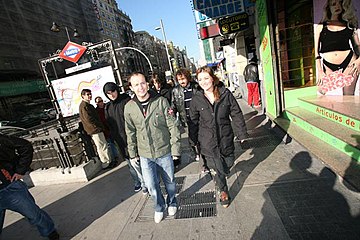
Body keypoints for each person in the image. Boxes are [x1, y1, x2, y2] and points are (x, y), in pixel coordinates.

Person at [124, 72, 181, 223]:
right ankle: (159, 206)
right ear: (131, 87)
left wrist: (175, 149)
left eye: (143, 83)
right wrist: (132, 153)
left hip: (164, 150)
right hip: (145, 154)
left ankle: (172, 202)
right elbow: (130, 132)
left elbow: (172, 126)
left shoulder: (161, 101)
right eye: (136, 84)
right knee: (151, 185)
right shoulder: (129, 107)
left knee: (170, 182)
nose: (140, 87)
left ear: (147, 84)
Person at [190, 66, 248, 208]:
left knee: (228, 163)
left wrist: (241, 134)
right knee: (216, 168)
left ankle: (222, 172)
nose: (203, 82)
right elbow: (193, 121)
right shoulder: (196, 99)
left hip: (225, 137)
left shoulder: (225, 94)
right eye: (200, 79)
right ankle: (223, 191)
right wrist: (193, 142)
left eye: (206, 78)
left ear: (212, 78)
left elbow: (236, 114)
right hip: (208, 141)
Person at [0, 134, 59, 240]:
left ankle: (51, 233)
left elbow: (25, 146)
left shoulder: (2, 140)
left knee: (34, 215)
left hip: (10, 188)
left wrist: (20, 170)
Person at [103, 82, 146, 194]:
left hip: (132, 138)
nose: (111, 94)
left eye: (113, 91)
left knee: (138, 162)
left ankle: (146, 183)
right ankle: (138, 182)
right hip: (120, 141)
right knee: (130, 163)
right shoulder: (108, 107)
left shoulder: (126, 101)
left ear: (117, 90)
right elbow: (109, 124)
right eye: (108, 93)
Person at [315, 0, 360, 95]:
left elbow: (357, 46)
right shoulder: (321, 26)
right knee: (321, 90)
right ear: (329, 8)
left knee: (348, 96)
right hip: (328, 65)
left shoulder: (349, 25)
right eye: (334, 4)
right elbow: (316, 53)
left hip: (349, 62)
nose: (337, 6)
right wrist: (320, 71)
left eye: (340, 3)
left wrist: (359, 60)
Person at [172, 68, 209, 172]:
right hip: (186, 120)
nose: (182, 81)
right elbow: (173, 105)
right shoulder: (175, 90)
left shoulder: (195, 87)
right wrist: (172, 114)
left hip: (199, 118)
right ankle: (196, 152)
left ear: (187, 77)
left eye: (183, 79)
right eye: (179, 79)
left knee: (201, 139)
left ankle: (203, 162)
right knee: (192, 140)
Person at [79, 89, 112, 169]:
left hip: (94, 129)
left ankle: (107, 161)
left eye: (90, 94)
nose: (90, 95)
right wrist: (98, 126)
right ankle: (106, 163)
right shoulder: (85, 106)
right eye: (87, 94)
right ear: (83, 96)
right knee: (102, 146)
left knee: (101, 145)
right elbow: (89, 119)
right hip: (95, 130)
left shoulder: (85, 105)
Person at [94, 96, 119, 166]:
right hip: (105, 129)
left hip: (111, 126)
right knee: (109, 144)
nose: (101, 103)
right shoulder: (97, 111)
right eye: (99, 102)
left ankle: (117, 155)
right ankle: (114, 157)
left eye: (101, 101)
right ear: (96, 103)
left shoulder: (106, 107)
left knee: (113, 142)